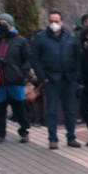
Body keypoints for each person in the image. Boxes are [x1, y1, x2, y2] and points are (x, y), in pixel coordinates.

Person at [31, 10, 82, 150]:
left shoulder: (71, 37)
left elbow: (78, 57)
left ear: (62, 22)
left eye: (56, 21)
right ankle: (52, 139)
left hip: (69, 78)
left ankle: (71, 137)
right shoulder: (41, 38)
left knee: (70, 110)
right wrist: (43, 77)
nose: (54, 24)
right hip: (51, 79)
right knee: (51, 110)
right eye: (51, 21)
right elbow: (35, 59)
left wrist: (76, 76)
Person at [0, 13, 31, 143]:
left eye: (5, 22)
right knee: (0, 110)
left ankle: (24, 132)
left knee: (19, 109)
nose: (2, 25)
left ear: (11, 24)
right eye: (0, 22)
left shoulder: (20, 40)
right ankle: (0, 134)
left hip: (15, 81)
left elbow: (27, 59)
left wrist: (22, 73)